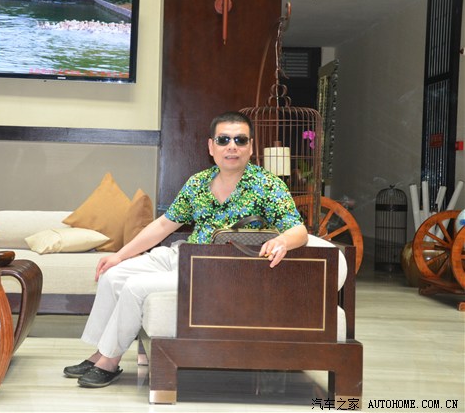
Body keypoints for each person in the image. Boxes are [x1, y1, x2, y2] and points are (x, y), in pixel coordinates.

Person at [63, 111, 308, 388]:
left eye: (240, 140)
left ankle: (109, 361)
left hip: (217, 269)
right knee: (112, 274)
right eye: (224, 140)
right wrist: (119, 255)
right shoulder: (198, 182)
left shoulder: (267, 185)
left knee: (134, 287)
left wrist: (282, 241)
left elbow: (299, 231)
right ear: (211, 146)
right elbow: (163, 225)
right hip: (182, 255)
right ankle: (99, 353)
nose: (232, 146)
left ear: (251, 147)